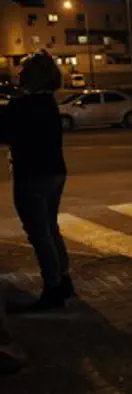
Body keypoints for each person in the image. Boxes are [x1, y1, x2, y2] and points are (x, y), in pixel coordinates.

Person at [3, 50, 75, 312]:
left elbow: (5, 133)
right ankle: (63, 280)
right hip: (55, 172)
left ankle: (53, 289)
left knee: (39, 234)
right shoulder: (49, 104)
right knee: (50, 228)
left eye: (23, 71)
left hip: (32, 175)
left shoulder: (22, 106)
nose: (18, 75)